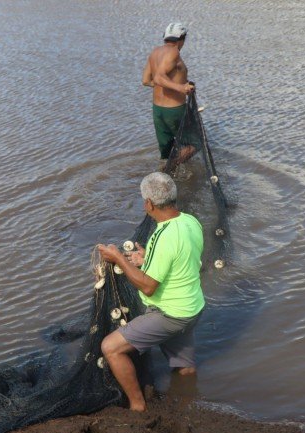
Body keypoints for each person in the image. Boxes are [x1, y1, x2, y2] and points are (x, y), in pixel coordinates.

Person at [98, 172, 204, 412]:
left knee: (110, 348)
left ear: (149, 204)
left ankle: (137, 406)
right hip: (192, 307)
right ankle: (189, 399)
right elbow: (185, 258)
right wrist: (148, 258)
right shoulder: (189, 221)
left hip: (170, 314)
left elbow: (147, 286)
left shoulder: (164, 234)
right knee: (184, 366)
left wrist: (118, 259)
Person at [142, 22, 197, 165]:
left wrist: (169, 86)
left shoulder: (155, 52)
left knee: (166, 152)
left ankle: (165, 173)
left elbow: (146, 80)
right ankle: (171, 169)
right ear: (181, 39)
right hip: (174, 110)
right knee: (194, 144)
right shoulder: (174, 52)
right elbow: (160, 77)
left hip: (158, 111)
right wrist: (181, 88)